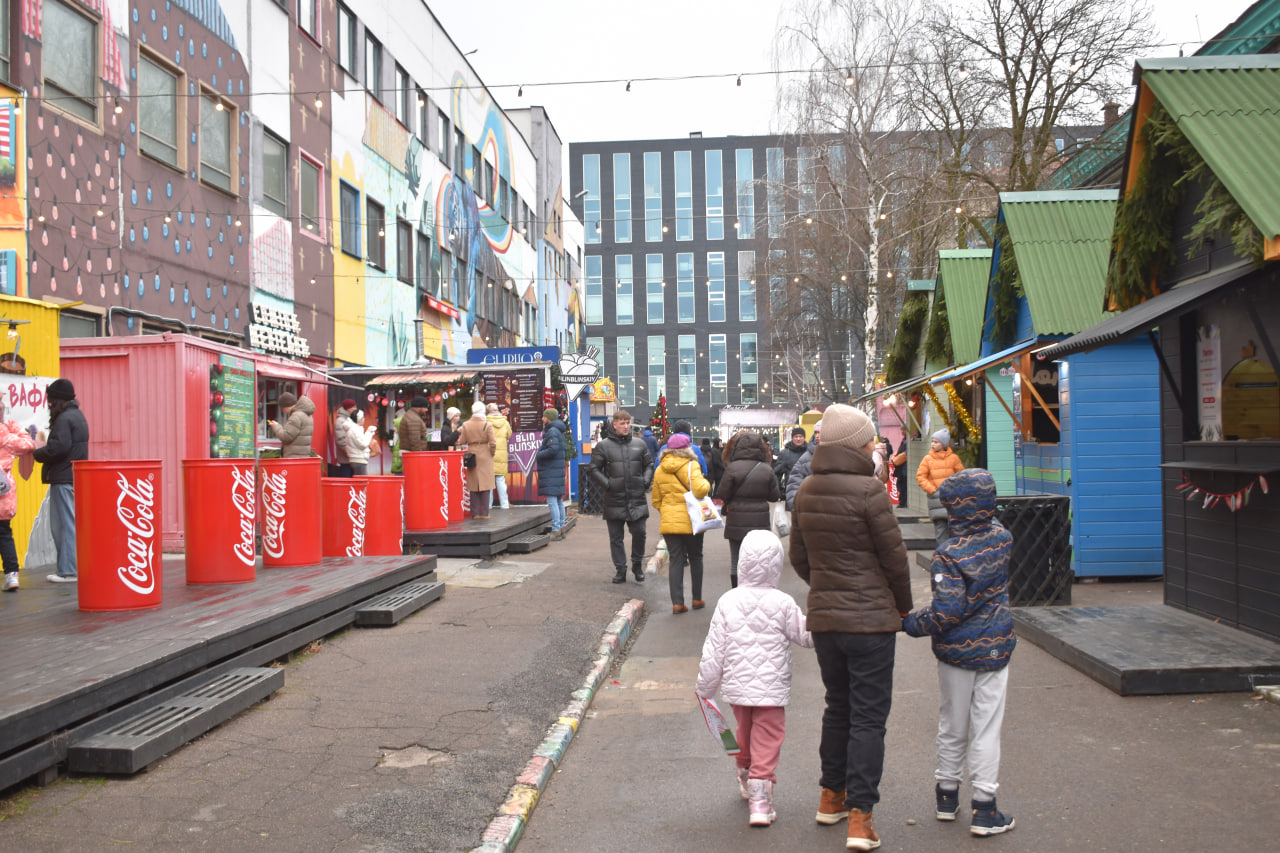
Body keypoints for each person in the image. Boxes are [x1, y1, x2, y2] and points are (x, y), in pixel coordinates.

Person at [790, 403, 912, 852]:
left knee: (837, 707)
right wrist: (903, 607)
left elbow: (799, 558)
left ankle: (831, 797)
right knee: (868, 717)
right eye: (868, 438)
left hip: (826, 620)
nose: (873, 443)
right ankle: (861, 819)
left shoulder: (805, 491)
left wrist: (824, 587)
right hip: (871, 623)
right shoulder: (869, 490)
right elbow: (895, 559)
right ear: (856, 445)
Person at [903, 469, 1016, 837]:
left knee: (953, 724)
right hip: (996, 647)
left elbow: (946, 612)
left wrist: (910, 623)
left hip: (956, 653)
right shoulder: (1003, 538)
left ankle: (946, 797)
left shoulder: (948, 555)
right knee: (987, 729)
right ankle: (985, 809)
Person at [696, 529, 814, 827]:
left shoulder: (728, 601)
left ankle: (746, 776)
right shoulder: (784, 602)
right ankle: (761, 799)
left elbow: (714, 649)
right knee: (768, 735)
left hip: (737, 688)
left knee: (745, 731)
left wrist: (705, 688)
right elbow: (805, 636)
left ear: (742, 563)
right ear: (776, 564)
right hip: (771, 689)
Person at [32, 378, 90, 583]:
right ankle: (71, 568)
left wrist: (37, 453)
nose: (48, 405)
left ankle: (67, 571)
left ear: (58, 400)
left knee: (63, 525)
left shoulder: (64, 419)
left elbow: (59, 447)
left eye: (50, 401)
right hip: (74, 476)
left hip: (63, 477)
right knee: (70, 523)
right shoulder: (78, 416)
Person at [587, 409, 653, 582]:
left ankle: (637, 565)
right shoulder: (604, 446)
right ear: (614, 425)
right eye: (622, 423)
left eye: (627, 423)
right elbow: (593, 468)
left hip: (636, 497)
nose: (626, 426)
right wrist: (608, 484)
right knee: (616, 538)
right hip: (614, 498)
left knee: (640, 533)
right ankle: (620, 569)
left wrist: (645, 481)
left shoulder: (640, 444)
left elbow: (649, 465)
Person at [652, 432, 711, 613]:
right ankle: (697, 599)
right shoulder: (692, 465)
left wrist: (668, 511)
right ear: (687, 448)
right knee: (696, 557)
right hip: (692, 522)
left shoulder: (660, 469)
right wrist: (707, 484)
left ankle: (677, 603)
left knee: (676, 560)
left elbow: (656, 500)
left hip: (670, 523)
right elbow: (701, 490)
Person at [717, 431, 780, 588]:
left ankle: (736, 592)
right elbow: (774, 496)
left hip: (736, 520)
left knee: (736, 560)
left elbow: (722, 494)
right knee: (761, 558)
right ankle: (758, 590)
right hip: (760, 522)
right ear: (760, 448)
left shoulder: (732, 468)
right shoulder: (767, 469)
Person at [0, 397, 36, 591]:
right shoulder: (6, 436)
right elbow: (28, 444)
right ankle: (12, 576)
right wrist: (13, 426)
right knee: (4, 535)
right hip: (2, 495)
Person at [917, 428, 966, 548]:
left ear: (944, 444)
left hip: (952, 500)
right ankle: (943, 557)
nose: (933, 444)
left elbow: (962, 476)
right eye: (932, 441)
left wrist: (956, 490)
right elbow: (920, 477)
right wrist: (932, 490)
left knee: (955, 529)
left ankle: (953, 555)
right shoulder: (927, 459)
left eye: (936, 442)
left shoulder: (954, 458)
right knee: (940, 530)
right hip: (936, 501)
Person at [456, 401, 497, 519]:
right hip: (485, 454)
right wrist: (491, 453)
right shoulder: (487, 425)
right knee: (486, 484)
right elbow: (493, 442)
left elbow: (462, 441)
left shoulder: (466, 425)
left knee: (473, 485)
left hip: (472, 453)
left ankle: (474, 513)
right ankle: (484, 513)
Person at [538, 408, 570, 537]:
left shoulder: (551, 431)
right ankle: (561, 526)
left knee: (552, 501)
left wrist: (539, 454)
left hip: (551, 470)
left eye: (544, 416)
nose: (542, 419)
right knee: (558, 501)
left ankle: (556, 529)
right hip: (557, 470)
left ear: (549, 418)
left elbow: (553, 449)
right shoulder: (558, 431)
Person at [784, 422, 820, 511]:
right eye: (816, 433)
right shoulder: (787, 453)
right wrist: (795, 505)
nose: (818, 436)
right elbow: (793, 480)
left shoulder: (840, 454)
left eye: (800, 436)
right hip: (809, 508)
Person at [268, 391, 315, 457]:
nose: (283, 411)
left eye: (283, 408)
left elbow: (286, 436)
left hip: (294, 457)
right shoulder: (307, 415)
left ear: (286, 406)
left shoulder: (296, 416)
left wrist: (276, 426)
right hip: (303, 455)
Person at [487, 403, 513, 509]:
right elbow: (509, 434)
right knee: (500, 480)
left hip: (489, 453)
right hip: (501, 454)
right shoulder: (505, 422)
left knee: (488, 482)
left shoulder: (486, 422)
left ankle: (488, 505)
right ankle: (505, 504)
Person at [773, 427, 809, 493]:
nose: (798, 439)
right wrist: (779, 491)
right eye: (796, 437)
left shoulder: (810, 452)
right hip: (791, 491)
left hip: (809, 491)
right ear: (792, 438)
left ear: (804, 438)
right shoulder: (785, 453)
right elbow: (777, 473)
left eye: (800, 436)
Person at [344, 410, 377, 476]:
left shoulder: (354, 429)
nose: (364, 419)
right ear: (359, 419)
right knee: (362, 481)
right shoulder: (355, 430)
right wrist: (368, 432)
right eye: (363, 417)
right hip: (358, 459)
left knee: (359, 481)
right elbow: (363, 444)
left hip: (356, 459)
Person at [333, 399, 358, 476]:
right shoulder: (340, 421)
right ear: (349, 408)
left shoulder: (348, 419)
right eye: (354, 407)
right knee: (346, 481)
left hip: (351, 457)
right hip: (346, 459)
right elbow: (341, 441)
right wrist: (351, 452)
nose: (355, 409)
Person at [892, 436, 909, 507]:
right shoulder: (905, 442)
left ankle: (903, 503)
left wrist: (894, 459)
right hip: (902, 470)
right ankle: (903, 503)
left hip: (903, 470)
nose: (902, 432)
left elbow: (897, 460)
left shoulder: (906, 443)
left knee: (902, 487)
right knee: (901, 487)